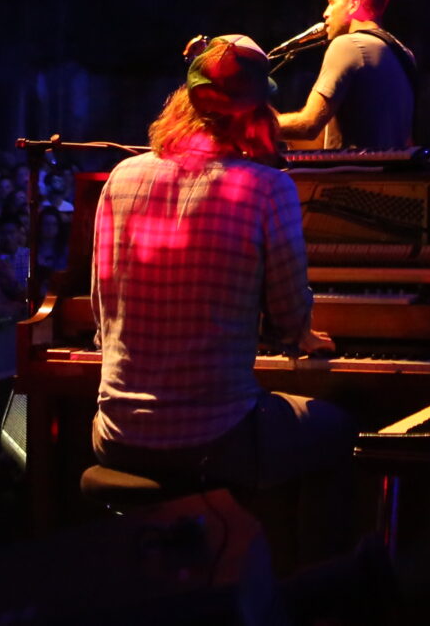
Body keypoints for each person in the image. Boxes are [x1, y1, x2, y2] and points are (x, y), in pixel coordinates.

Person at [92, 35, 352, 544]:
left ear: (184, 102)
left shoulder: (120, 177)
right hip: (217, 438)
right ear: (258, 112)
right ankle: (304, 576)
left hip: (116, 435)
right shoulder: (266, 186)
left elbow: (103, 314)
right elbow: (288, 319)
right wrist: (302, 335)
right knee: (339, 427)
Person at [275, 0, 417, 151]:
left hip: (352, 169)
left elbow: (309, 125)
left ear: (354, 4)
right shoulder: (404, 53)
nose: (325, 13)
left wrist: (252, 125)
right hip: (390, 168)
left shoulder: (348, 45)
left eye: (332, 2)